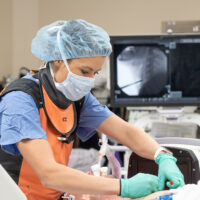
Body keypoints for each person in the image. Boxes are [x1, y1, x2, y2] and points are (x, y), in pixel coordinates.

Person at [0, 19, 184, 200]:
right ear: (57, 59)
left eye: (95, 73)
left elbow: (125, 132)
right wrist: (123, 186)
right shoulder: (20, 99)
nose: (89, 80)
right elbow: (48, 174)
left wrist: (161, 155)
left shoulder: (75, 97)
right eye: (85, 71)